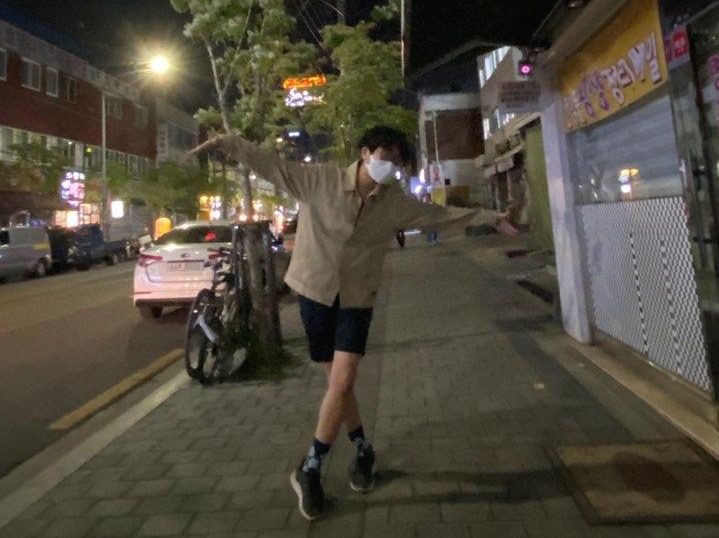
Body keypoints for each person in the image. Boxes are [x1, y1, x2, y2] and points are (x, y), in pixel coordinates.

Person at [198, 126, 477, 521]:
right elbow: (272, 165)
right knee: (338, 386)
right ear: (364, 153)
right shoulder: (320, 180)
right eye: (385, 155)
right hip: (315, 292)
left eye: (398, 159)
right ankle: (363, 450)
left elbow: (440, 216)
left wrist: (494, 217)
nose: (391, 165)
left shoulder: (393, 202)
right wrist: (228, 143)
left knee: (342, 381)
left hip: (357, 297)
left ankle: (310, 467)